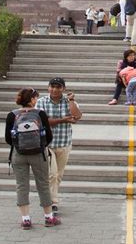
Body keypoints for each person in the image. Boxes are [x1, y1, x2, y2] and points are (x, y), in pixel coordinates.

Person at [5, 88, 60, 229]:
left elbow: (8, 138)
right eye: (36, 97)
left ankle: (26, 220)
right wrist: (39, 146)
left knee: (22, 186)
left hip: (19, 155)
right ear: (32, 99)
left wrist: (20, 146)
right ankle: (48, 218)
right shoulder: (40, 114)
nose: (37, 100)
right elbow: (49, 136)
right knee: (43, 184)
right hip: (38, 154)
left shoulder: (12, 115)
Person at [35, 77, 82, 214]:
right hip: (46, 144)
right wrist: (63, 120)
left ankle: (51, 198)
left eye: (58, 87)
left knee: (59, 175)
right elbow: (42, 122)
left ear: (63, 89)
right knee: (52, 174)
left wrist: (71, 101)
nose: (55, 89)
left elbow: (77, 116)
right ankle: (52, 202)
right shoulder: (41, 102)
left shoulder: (68, 102)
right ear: (48, 87)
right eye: (52, 86)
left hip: (64, 143)